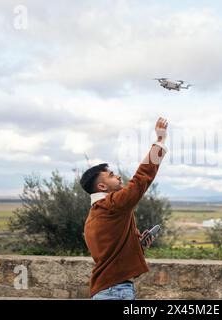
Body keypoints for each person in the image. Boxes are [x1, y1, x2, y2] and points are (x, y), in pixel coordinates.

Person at [80, 117, 168, 300]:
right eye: (112, 175)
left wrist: (138, 245)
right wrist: (159, 142)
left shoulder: (96, 214)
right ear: (102, 187)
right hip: (116, 292)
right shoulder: (111, 205)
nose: (119, 177)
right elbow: (141, 179)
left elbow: (114, 253)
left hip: (108, 290)